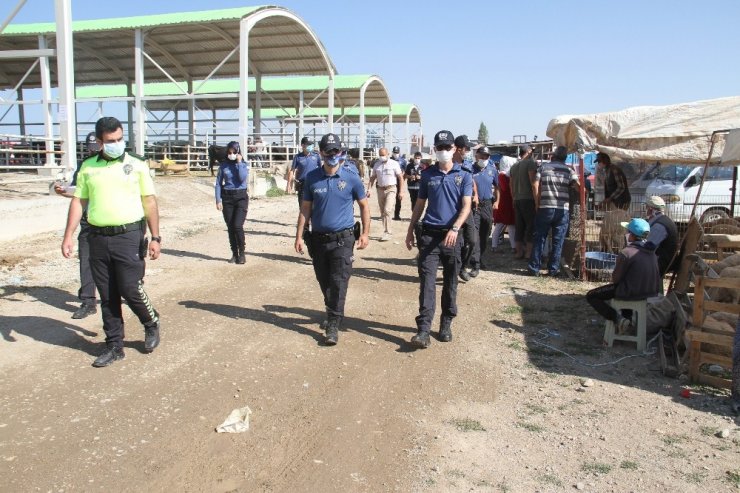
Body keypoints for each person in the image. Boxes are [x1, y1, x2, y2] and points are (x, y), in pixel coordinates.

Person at [61, 116, 161, 368]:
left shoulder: (136, 164)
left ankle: (151, 322)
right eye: (110, 141)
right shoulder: (88, 167)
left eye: (119, 139)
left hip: (128, 236)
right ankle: (114, 345)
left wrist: (156, 237)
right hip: (97, 237)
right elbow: (79, 201)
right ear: (99, 141)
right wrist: (68, 235)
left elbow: (149, 201)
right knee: (107, 295)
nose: (116, 144)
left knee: (130, 288)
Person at [294, 133, 370, 345]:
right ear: (321, 153)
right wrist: (299, 235)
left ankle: (333, 323)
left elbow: (364, 206)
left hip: (343, 239)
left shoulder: (351, 177)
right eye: (328, 151)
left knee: (338, 281)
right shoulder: (312, 178)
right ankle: (333, 310)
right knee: (324, 280)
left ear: (341, 152)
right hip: (318, 240)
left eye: (335, 151)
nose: (332, 155)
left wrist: (365, 233)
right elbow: (305, 209)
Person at [405, 130, 472, 348]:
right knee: (427, 282)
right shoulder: (428, 174)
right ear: (435, 149)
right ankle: (423, 330)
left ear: (454, 149)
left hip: (452, 236)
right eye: (439, 148)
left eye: (447, 147)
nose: (443, 151)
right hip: (429, 236)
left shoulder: (464, 175)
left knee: (451, 281)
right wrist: (410, 229)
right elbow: (420, 204)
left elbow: (467, 206)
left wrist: (454, 228)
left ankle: (446, 323)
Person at [53, 132, 100, 319]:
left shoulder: (116, 165)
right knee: (87, 262)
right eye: (91, 148)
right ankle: (88, 301)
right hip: (88, 222)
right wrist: (63, 191)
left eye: (96, 147)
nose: (94, 151)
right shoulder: (84, 166)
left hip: (112, 223)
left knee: (118, 264)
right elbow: (77, 194)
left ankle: (125, 294)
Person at [586, 218, 660, 331]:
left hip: (631, 292)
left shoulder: (627, 253)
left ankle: (618, 319)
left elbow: (616, 279)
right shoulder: (652, 252)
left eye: (627, 231)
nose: (625, 234)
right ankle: (627, 321)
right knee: (627, 288)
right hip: (650, 293)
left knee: (591, 295)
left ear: (631, 235)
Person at [528, 146, 580, 277]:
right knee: (558, 240)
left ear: (554, 156)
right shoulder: (569, 170)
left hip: (545, 207)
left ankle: (534, 268)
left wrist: (536, 202)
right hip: (562, 209)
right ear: (565, 158)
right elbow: (578, 186)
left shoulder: (544, 167)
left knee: (540, 238)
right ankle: (553, 269)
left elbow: (535, 184)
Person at [215, 141, 250, 264]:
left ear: (238, 152)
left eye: (234, 152)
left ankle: (242, 252)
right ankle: (234, 254)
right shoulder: (223, 166)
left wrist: (239, 162)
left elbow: (241, 178)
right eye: (229, 152)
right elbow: (218, 184)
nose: (231, 154)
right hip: (227, 197)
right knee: (230, 227)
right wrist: (218, 200)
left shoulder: (243, 165)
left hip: (240, 197)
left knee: (237, 226)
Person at [469, 146, 499, 274]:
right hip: (474, 205)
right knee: (474, 236)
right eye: (481, 156)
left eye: (486, 156)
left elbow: (497, 187)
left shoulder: (492, 170)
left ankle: (479, 258)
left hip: (488, 205)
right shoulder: (470, 169)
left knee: (485, 234)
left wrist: (497, 201)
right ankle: (475, 264)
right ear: (477, 155)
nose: (484, 158)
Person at [453, 134, 479, 281]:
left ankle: (463, 267)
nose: (468, 151)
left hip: (466, 207)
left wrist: (475, 194)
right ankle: (453, 268)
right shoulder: (448, 163)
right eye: (467, 148)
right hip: (452, 207)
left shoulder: (468, 164)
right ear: (458, 149)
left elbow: (471, 179)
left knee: (472, 240)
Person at [368, 147, 404, 241]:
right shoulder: (377, 164)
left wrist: (401, 191)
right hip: (380, 189)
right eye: (380, 155)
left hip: (391, 189)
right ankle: (385, 230)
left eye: (383, 155)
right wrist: (369, 189)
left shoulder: (394, 164)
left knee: (387, 210)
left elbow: (400, 178)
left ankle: (388, 232)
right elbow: (372, 178)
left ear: (388, 154)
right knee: (382, 212)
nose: (382, 157)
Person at [509, 144, 538, 260]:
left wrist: (513, 198)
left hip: (517, 199)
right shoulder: (530, 163)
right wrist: (537, 202)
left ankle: (518, 252)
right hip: (528, 199)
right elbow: (533, 183)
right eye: (532, 151)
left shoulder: (514, 166)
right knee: (530, 227)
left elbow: (510, 185)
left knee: (519, 226)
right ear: (528, 151)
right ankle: (528, 253)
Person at [644, 195, 679, 278]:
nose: (645, 210)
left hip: (661, 263)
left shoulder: (659, 226)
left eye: (646, 207)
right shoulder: (664, 220)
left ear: (651, 209)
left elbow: (649, 247)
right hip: (664, 260)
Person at [492, 155, 517, 254]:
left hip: (508, 203)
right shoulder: (502, 175)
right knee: (500, 225)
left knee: (510, 226)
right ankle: (494, 246)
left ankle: (513, 246)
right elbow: (505, 188)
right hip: (504, 204)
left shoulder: (505, 175)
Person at [285, 136, 321, 204]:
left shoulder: (316, 156)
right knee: (303, 206)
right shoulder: (298, 157)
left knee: (315, 207)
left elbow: (321, 169)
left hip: (314, 184)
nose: (310, 146)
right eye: (308, 144)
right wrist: (289, 184)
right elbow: (292, 170)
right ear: (302, 145)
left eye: (311, 144)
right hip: (302, 185)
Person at [392, 146, 408, 220]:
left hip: (399, 181)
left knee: (398, 199)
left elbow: (405, 171)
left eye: (397, 152)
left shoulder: (403, 161)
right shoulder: (390, 160)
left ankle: (396, 215)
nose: (396, 154)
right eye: (395, 152)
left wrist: (402, 181)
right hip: (391, 180)